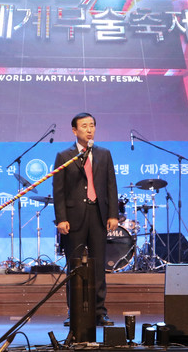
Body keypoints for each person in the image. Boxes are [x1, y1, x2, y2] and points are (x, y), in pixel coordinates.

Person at [52, 112, 118, 327]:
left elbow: (111, 186)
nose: (89, 130)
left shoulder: (104, 154)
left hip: (98, 215)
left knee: (98, 266)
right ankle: (74, 312)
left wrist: (113, 214)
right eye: (84, 126)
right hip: (73, 218)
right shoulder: (64, 155)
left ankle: (99, 312)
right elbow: (58, 190)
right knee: (74, 266)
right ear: (74, 130)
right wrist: (61, 218)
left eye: (92, 125)